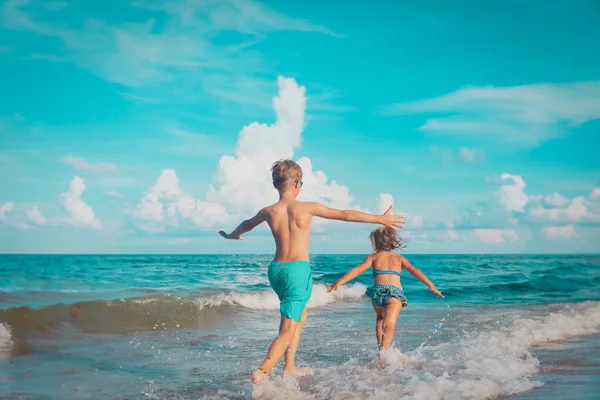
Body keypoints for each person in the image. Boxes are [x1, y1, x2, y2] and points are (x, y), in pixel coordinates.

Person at [218, 159, 404, 383]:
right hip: (297, 271)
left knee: (298, 317)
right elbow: (345, 214)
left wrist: (232, 235)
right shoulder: (306, 207)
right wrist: (379, 218)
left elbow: (246, 224)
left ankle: (290, 368)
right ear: (297, 184)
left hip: (276, 271)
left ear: (276, 185)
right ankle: (263, 371)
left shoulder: (267, 211)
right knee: (287, 328)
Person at [327, 226, 443, 366]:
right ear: (393, 241)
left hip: (377, 293)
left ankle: (380, 349)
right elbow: (414, 270)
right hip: (394, 294)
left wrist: (339, 282)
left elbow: (357, 270)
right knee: (390, 324)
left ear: (375, 242)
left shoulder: (373, 257)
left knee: (380, 320)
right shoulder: (399, 258)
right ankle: (384, 351)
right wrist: (430, 285)